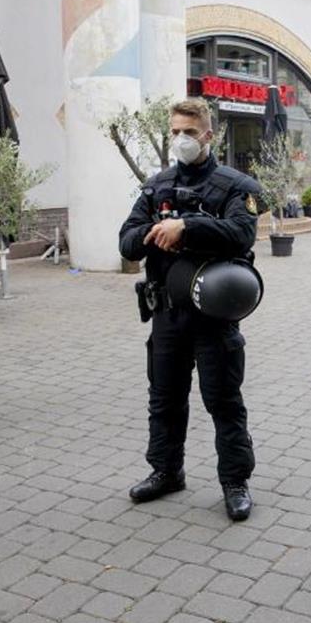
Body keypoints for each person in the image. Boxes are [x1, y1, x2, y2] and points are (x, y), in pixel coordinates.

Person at [119, 98, 260, 521]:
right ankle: (166, 471)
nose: (181, 139)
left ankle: (235, 481)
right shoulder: (157, 185)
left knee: (223, 400)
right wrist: (156, 230)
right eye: (175, 131)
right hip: (166, 314)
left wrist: (189, 227)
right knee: (164, 398)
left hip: (214, 317)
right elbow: (126, 241)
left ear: (208, 135)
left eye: (189, 132)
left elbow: (241, 234)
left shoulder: (236, 186)